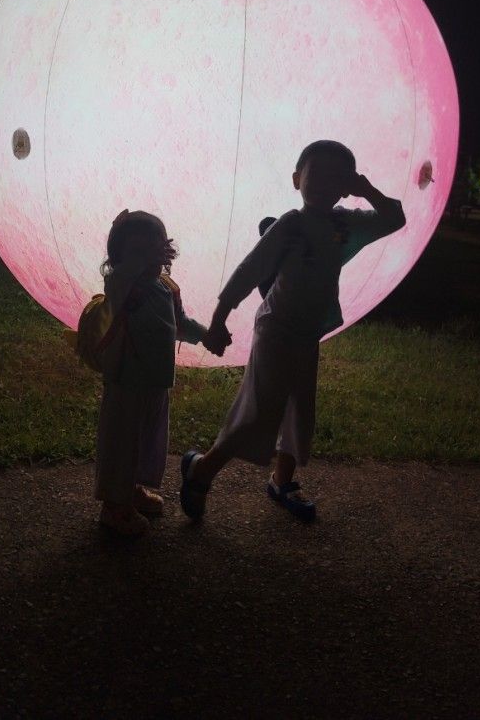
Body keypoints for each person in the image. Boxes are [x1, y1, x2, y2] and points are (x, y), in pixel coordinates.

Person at [184, 140, 406, 523]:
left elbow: (394, 219)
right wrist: (219, 318)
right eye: (315, 173)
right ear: (295, 179)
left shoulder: (344, 223)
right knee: (259, 410)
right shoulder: (292, 224)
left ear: (347, 184)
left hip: (307, 331)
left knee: (300, 409)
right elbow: (249, 270)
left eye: (338, 176)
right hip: (277, 328)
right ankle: (202, 469)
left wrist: (367, 189)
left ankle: (282, 480)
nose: (325, 182)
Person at [96, 209, 229, 536]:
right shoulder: (122, 285)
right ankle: (113, 508)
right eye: (139, 251)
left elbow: (179, 325)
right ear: (119, 258)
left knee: (145, 443)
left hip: (156, 383)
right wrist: (140, 261)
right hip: (126, 382)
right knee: (122, 444)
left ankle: (131, 491)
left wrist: (207, 336)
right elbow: (121, 277)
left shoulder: (165, 287)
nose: (151, 258)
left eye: (157, 247)